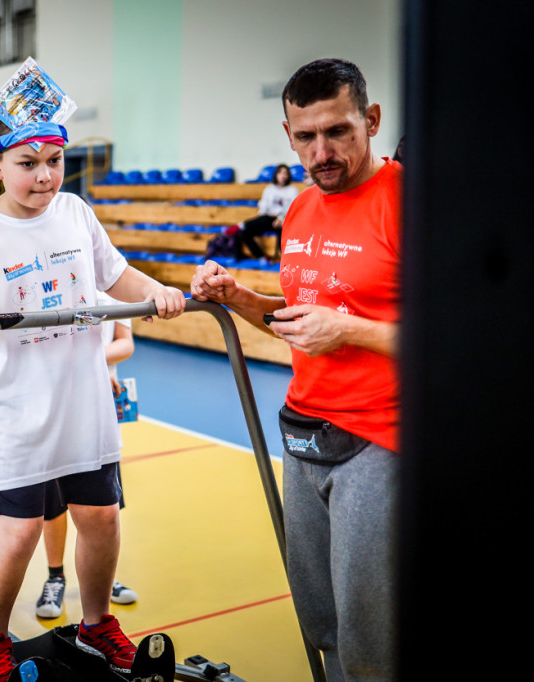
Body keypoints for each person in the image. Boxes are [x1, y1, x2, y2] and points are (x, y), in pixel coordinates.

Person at [0, 107, 186, 681]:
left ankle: (97, 625)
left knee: (101, 517)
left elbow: (115, 274)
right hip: (16, 408)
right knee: (21, 529)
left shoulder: (76, 212)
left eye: (54, 162)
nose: (44, 177)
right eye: (27, 164)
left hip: (82, 400)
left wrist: (159, 291)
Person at [190, 58, 400, 682]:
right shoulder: (301, 210)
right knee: (324, 623)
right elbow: (301, 321)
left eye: (337, 132)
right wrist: (240, 299)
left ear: (372, 119)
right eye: (305, 137)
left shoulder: (411, 202)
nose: (322, 152)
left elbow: (464, 340)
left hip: (382, 440)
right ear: (287, 134)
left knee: (372, 634)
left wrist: (352, 330)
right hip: (305, 437)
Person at [35, 291, 138, 619]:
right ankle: (55, 576)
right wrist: (87, 366)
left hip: (99, 413)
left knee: (103, 507)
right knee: (55, 504)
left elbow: (125, 342)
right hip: (54, 409)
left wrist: (94, 362)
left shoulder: (116, 287)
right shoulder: (56, 281)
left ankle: (103, 579)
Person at [227, 164, 299, 259]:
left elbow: (292, 208)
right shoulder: (269, 189)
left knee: (282, 232)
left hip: (284, 221)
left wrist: (281, 219)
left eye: (285, 173)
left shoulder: (293, 191)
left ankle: (242, 224)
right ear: (276, 175)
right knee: (245, 232)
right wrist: (260, 219)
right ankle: (261, 257)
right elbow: (264, 208)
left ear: (288, 176)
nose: (283, 175)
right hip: (267, 220)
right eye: (280, 173)